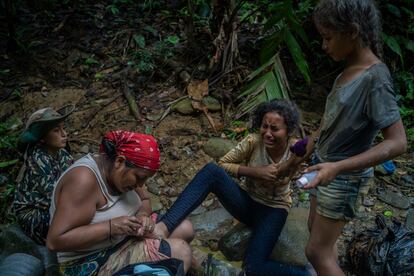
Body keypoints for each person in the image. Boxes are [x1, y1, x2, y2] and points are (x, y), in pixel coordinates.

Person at [279, 1, 407, 275]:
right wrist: (298, 154)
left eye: (328, 37)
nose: (324, 46)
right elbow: (326, 128)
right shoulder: (346, 74)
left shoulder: (375, 78)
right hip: (325, 170)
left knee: (316, 251)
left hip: (343, 176)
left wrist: (337, 167)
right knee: (316, 233)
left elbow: (397, 142)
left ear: (351, 31)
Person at [154, 99, 309, 275]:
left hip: (273, 210)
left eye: (275, 129)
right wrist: (255, 172)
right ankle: (163, 226)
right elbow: (223, 164)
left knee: (253, 269)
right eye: (264, 126)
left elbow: (314, 149)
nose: (267, 133)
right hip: (246, 203)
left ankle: (305, 273)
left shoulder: (296, 150)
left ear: (288, 131)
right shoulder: (253, 142)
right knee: (212, 171)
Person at [47, 130, 194, 275]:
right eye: (139, 177)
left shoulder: (119, 172)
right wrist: (111, 227)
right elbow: (55, 241)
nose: (141, 185)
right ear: (119, 161)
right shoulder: (84, 181)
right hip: (90, 259)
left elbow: (145, 199)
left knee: (185, 228)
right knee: (181, 250)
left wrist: (143, 215)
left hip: (123, 238)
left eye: (146, 179)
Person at [12, 105, 74, 245]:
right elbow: (52, 194)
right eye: (56, 131)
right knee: (72, 219)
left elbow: (74, 178)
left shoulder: (63, 154)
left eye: (63, 128)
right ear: (43, 138)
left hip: (58, 203)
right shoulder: (37, 158)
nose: (64, 134)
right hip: (35, 211)